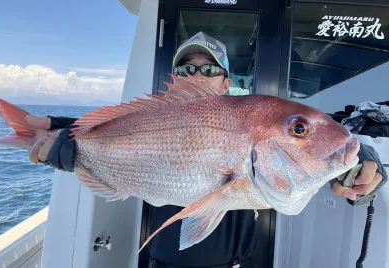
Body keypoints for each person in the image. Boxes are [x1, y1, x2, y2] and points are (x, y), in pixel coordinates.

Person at [25, 32, 387, 268]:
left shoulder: (250, 119)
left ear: (227, 82)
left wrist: (361, 164)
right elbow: (119, 134)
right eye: (186, 67)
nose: (197, 74)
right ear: (174, 79)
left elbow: (329, 139)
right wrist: (69, 140)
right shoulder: (150, 118)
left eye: (210, 67)